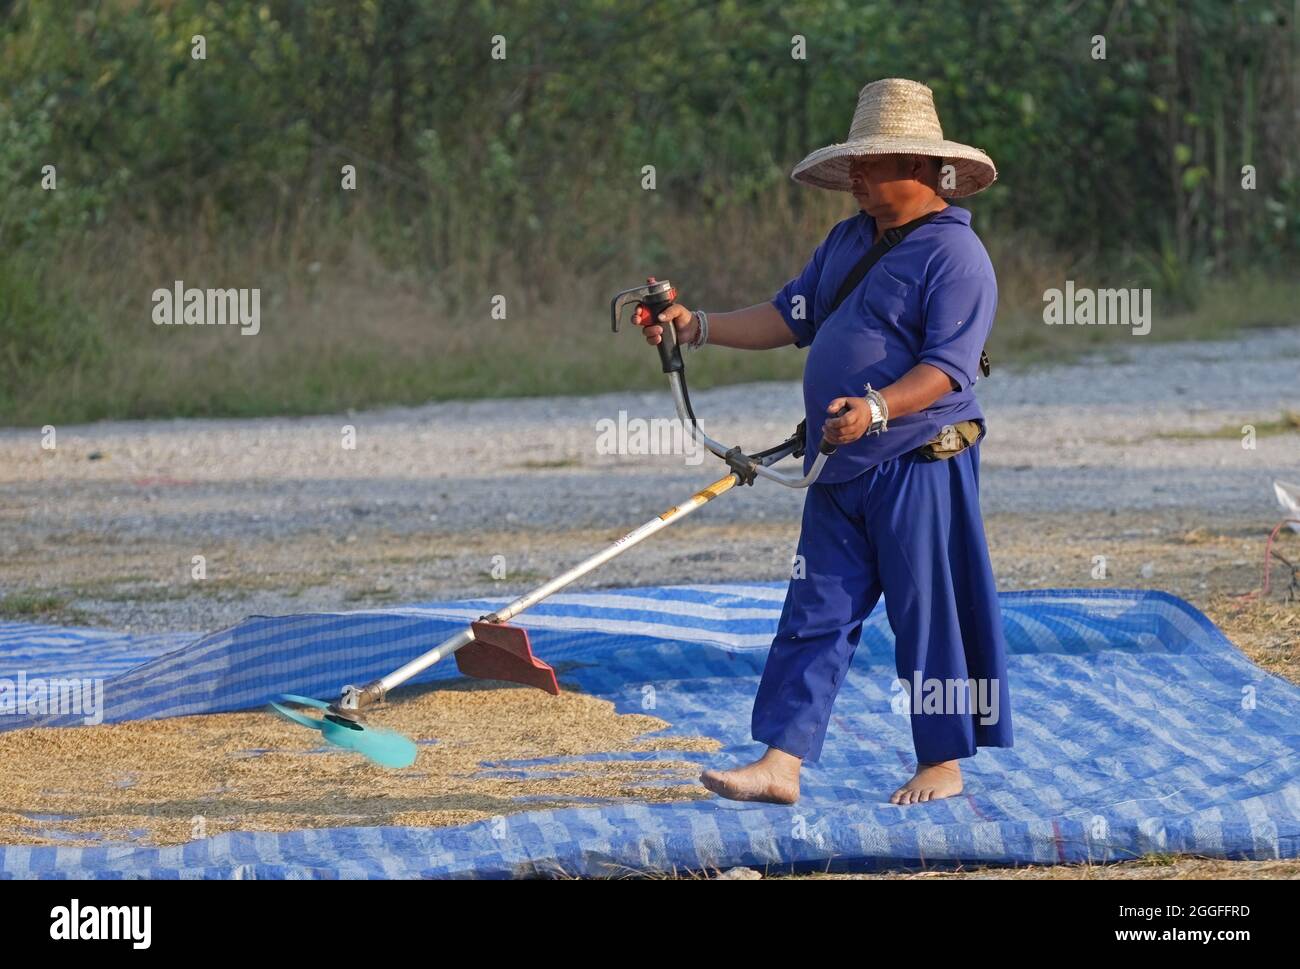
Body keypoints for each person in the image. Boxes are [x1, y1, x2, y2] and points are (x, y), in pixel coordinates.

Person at [637, 78, 1013, 805]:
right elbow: (790, 315)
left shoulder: (957, 258)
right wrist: (697, 326)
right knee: (814, 609)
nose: (858, 180)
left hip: (917, 465)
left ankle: (942, 762)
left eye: (873, 166)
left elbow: (947, 369)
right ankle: (781, 761)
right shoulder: (846, 242)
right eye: (856, 167)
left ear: (923, 168)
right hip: (836, 469)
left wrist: (876, 410)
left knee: (925, 614)